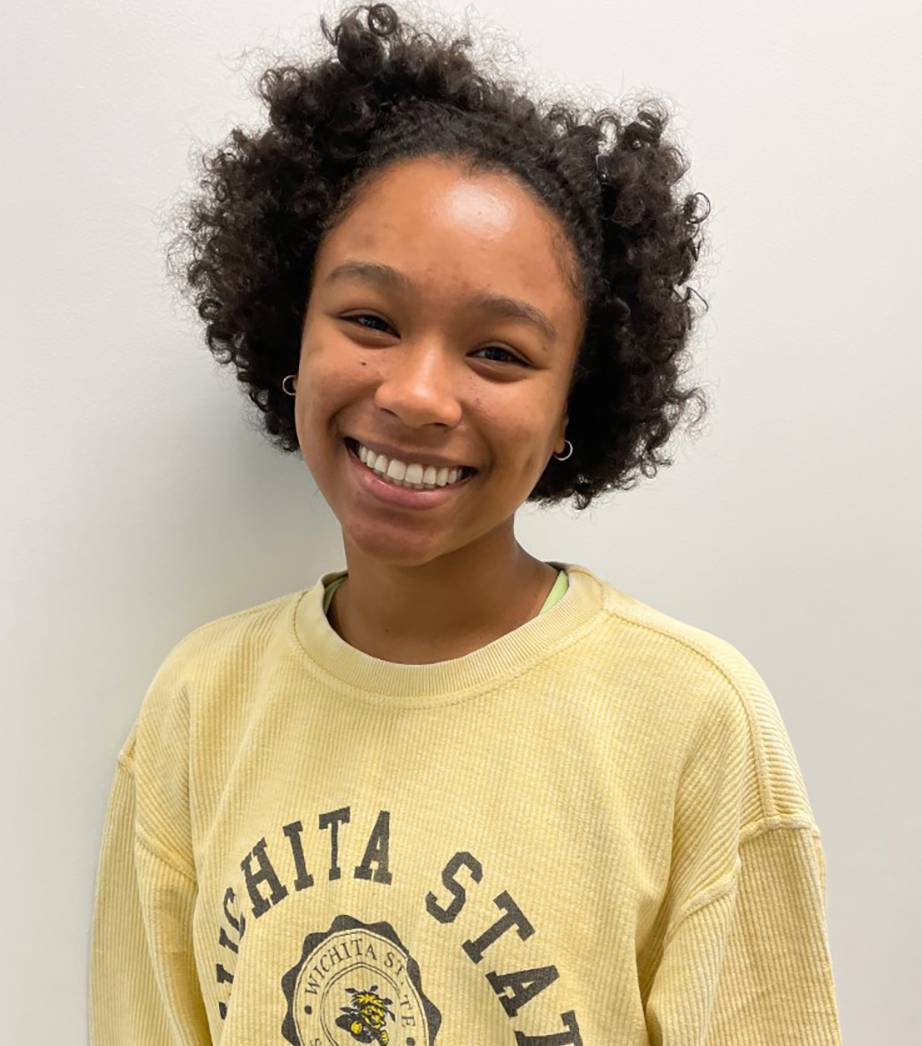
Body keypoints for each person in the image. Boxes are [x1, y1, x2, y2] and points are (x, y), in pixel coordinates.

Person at [88, 4, 842, 1043]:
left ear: (576, 400)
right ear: (288, 330)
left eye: (497, 352)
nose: (419, 394)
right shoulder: (197, 707)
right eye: (369, 320)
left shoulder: (691, 721)